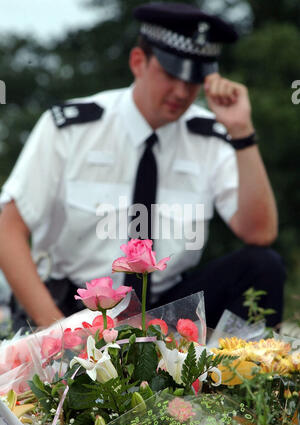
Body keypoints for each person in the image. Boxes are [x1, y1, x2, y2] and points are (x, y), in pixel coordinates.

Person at [0, 2, 285, 332]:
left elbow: (260, 233)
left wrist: (241, 133)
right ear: (139, 62)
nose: (181, 92)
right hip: (73, 305)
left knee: (262, 266)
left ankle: (243, 374)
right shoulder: (71, 128)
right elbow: (8, 228)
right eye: (170, 73)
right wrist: (57, 331)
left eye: (193, 80)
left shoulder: (212, 136)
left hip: (165, 309)